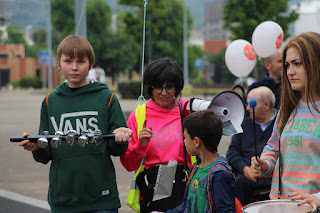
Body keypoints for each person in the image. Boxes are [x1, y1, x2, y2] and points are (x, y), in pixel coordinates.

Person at [19, 35, 133, 213]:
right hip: (63, 199)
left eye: (80, 61)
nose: (74, 67)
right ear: (58, 62)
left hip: (102, 199)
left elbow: (117, 150)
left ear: (90, 63)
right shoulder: (50, 102)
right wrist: (36, 147)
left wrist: (121, 138)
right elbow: (46, 153)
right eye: (68, 61)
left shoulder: (106, 97)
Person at [251, 32, 320, 200]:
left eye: (297, 64)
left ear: (316, 64)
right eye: (287, 65)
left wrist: (317, 198)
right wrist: (264, 165)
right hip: (281, 205)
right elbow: (273, 148)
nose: (290, 72)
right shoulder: (287, 109)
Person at [120, 57, 191, 213]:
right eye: (158, 87)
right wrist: (141, 145)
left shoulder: (186, 110)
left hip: (185, 184)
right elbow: (128, 164)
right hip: (153, 185)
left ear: (177, 87)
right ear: (149, 88)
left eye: (169, 87)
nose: (164, 93)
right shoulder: (139, 115)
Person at [167, 110, 236, 213]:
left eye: (185, 137)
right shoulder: (195, 168)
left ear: (196, 142)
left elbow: (226, 210)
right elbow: (186, 205)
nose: (183, 141)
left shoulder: (219, 174)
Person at [226, 86, 276, 205]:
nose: (247, 108)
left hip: (272, 179)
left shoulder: (281, 124)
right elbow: (232, 152)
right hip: (245, 180)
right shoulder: (245, 124)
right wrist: (244, 168)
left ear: (266, 105)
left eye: (251, 104)